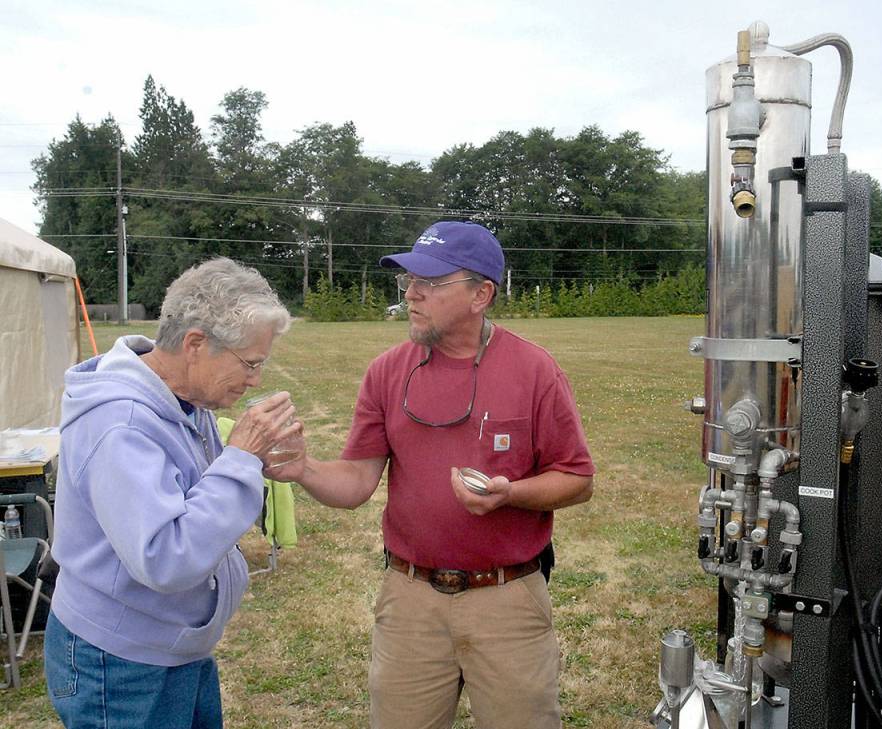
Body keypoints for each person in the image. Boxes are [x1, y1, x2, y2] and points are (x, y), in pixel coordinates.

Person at [277, 221, 595, 729]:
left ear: (481, 294)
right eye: (408, 280)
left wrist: (509, 494)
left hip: (508, 600)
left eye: (430, 281)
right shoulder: (386, 371)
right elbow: (357, 481)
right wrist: (304, 469)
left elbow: (577, 478)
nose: (412, 294)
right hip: (409, 603)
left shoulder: (534, 370)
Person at [44, 258, 303, 729]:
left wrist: (250, 461)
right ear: (196, 344)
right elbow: (166, 556)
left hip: (169, 646)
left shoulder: (185, 398)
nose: (255, 380)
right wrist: (240, 461)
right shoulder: (119, 422)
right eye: (250, 363)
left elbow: (192, 497)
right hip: (121, 665)